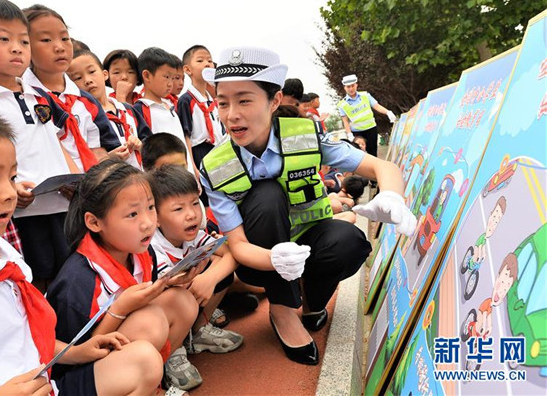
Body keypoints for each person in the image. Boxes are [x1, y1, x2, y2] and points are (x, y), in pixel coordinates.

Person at [0, 105, 163, 396]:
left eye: (11, 177)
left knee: (143, 362)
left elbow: (23, 338)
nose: (9, 193)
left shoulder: (2, 253)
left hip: (47, 386)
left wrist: (77, 352)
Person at [200, 47, 416, 365]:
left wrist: (392, 196)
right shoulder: (215, 166)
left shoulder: (305, 135)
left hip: (310, 237)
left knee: (350, 242)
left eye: (244, 100)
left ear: (274, 101)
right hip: (259, 256)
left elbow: (381, 167)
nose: (231, 114)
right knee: (266, 195)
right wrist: (273, 258)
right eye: (222, 103)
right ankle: (282, 309)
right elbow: (239, 245)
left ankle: (313, 303)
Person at [46, 159, 200, 396]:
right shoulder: (77, 283)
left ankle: (151, 383)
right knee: (150, 322)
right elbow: (74, 356)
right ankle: (141, 381)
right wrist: (119, 309)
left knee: (182, 301)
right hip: (71, 376)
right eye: (132, 214)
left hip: (113, 352)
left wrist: (168, 282)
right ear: (94, 222)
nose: (148, 223)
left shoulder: (142, 252)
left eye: (151, 207)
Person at [0, 0, 79, 289]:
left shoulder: (40, 96)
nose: (17, 48)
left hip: (60, 206)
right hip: (18, 213)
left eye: (24, 41)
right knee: (30, 282)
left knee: (69, 279)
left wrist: (76, 179)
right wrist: (9, 187)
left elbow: (57, 140)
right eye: (4, 39)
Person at [148, 165, 243, 390]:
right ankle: (172, 351)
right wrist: (202, 275)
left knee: (220, 272)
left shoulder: (194, 236)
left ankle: (198, 331)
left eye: (194, 203)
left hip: (187, 298)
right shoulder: (152, 247)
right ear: (156, 217)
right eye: (178, 208)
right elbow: (166, 286)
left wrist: (209, 278)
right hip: (160, 313)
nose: (191, 214)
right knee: (175, 297)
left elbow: (232, 254)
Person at [22, 4, 119, 172]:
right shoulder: (22, 97)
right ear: (25, 45)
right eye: (46, 40)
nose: (59, 47)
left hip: (89, 183)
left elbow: (100, 148)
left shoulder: (86, 101)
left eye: (65, 38)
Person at [68, 49, 151, 170]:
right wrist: (107, 158)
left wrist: (139, 145)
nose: (87, 80)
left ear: (105, 74)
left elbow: (151, 146)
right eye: (78, 77)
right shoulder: (80, 118)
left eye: (92, 72)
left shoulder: (128, 110)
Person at [134, 47, 196, 174]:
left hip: (185, 173)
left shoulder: (171, 106)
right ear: (147, 75)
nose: (170, 83)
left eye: (172, 78)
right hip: (164, 177)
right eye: (166, 77)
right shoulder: (141, 109)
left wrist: (192, 169)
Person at [177, 45, 225, 173]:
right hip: (200, 152)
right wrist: (192, 166)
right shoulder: (186, 100)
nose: (207, 64)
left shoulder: (212, 101)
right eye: (200, 60)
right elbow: (186, 135)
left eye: (210, 60)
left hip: (218, 151)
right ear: (187, 69)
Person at [337, 74, 396, 158]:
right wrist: (349, 134)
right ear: (344, 88)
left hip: (371, 129)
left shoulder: (365, 95)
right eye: (348, 87)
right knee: (360, 155)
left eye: (353, 86)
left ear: (356, 85)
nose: (351, 89)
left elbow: (377, 106)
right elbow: (345, 121)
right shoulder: (342, 104)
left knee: (373, 153)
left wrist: (388, 112)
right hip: (357, 133)